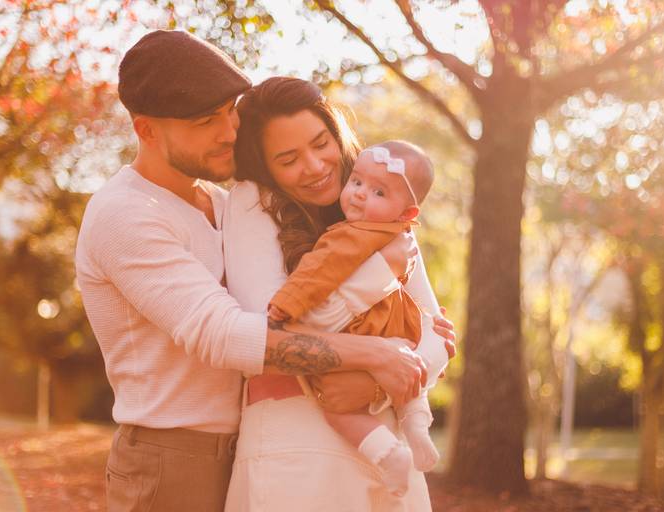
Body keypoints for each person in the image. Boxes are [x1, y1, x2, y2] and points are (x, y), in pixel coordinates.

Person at [75, 31, 437, 512]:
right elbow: (228, 334)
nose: (229, 132)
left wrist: (383, 370)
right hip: (173, 451)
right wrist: (377, 354)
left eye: (230, 112)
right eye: (207, 120)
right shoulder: (125, 214)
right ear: (147, 131)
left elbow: (434, 330)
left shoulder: (224, 205)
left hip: (251, 436)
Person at [223, 77, 451, 511]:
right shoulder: (253, 203)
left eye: (321, 143)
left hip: (388, 447)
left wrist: (378, 383)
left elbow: (435, 337)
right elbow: (269, 332)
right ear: (266, 165)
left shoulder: (387, 208)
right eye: (288, 159)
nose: (313, 166)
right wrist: (383, 278)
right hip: (296, 446)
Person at [266, 140, 442, 497]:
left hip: (361, 336)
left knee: (337, 407)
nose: (360, 195)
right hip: (400, 337)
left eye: (378, 191)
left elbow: (314, 277)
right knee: (410, 390)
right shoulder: (402, 240)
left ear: (408, 213)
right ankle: (418, 429)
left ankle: (388, 453)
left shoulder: (347, 235)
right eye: (357, 182)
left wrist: (286, 303)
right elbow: (434, 329)